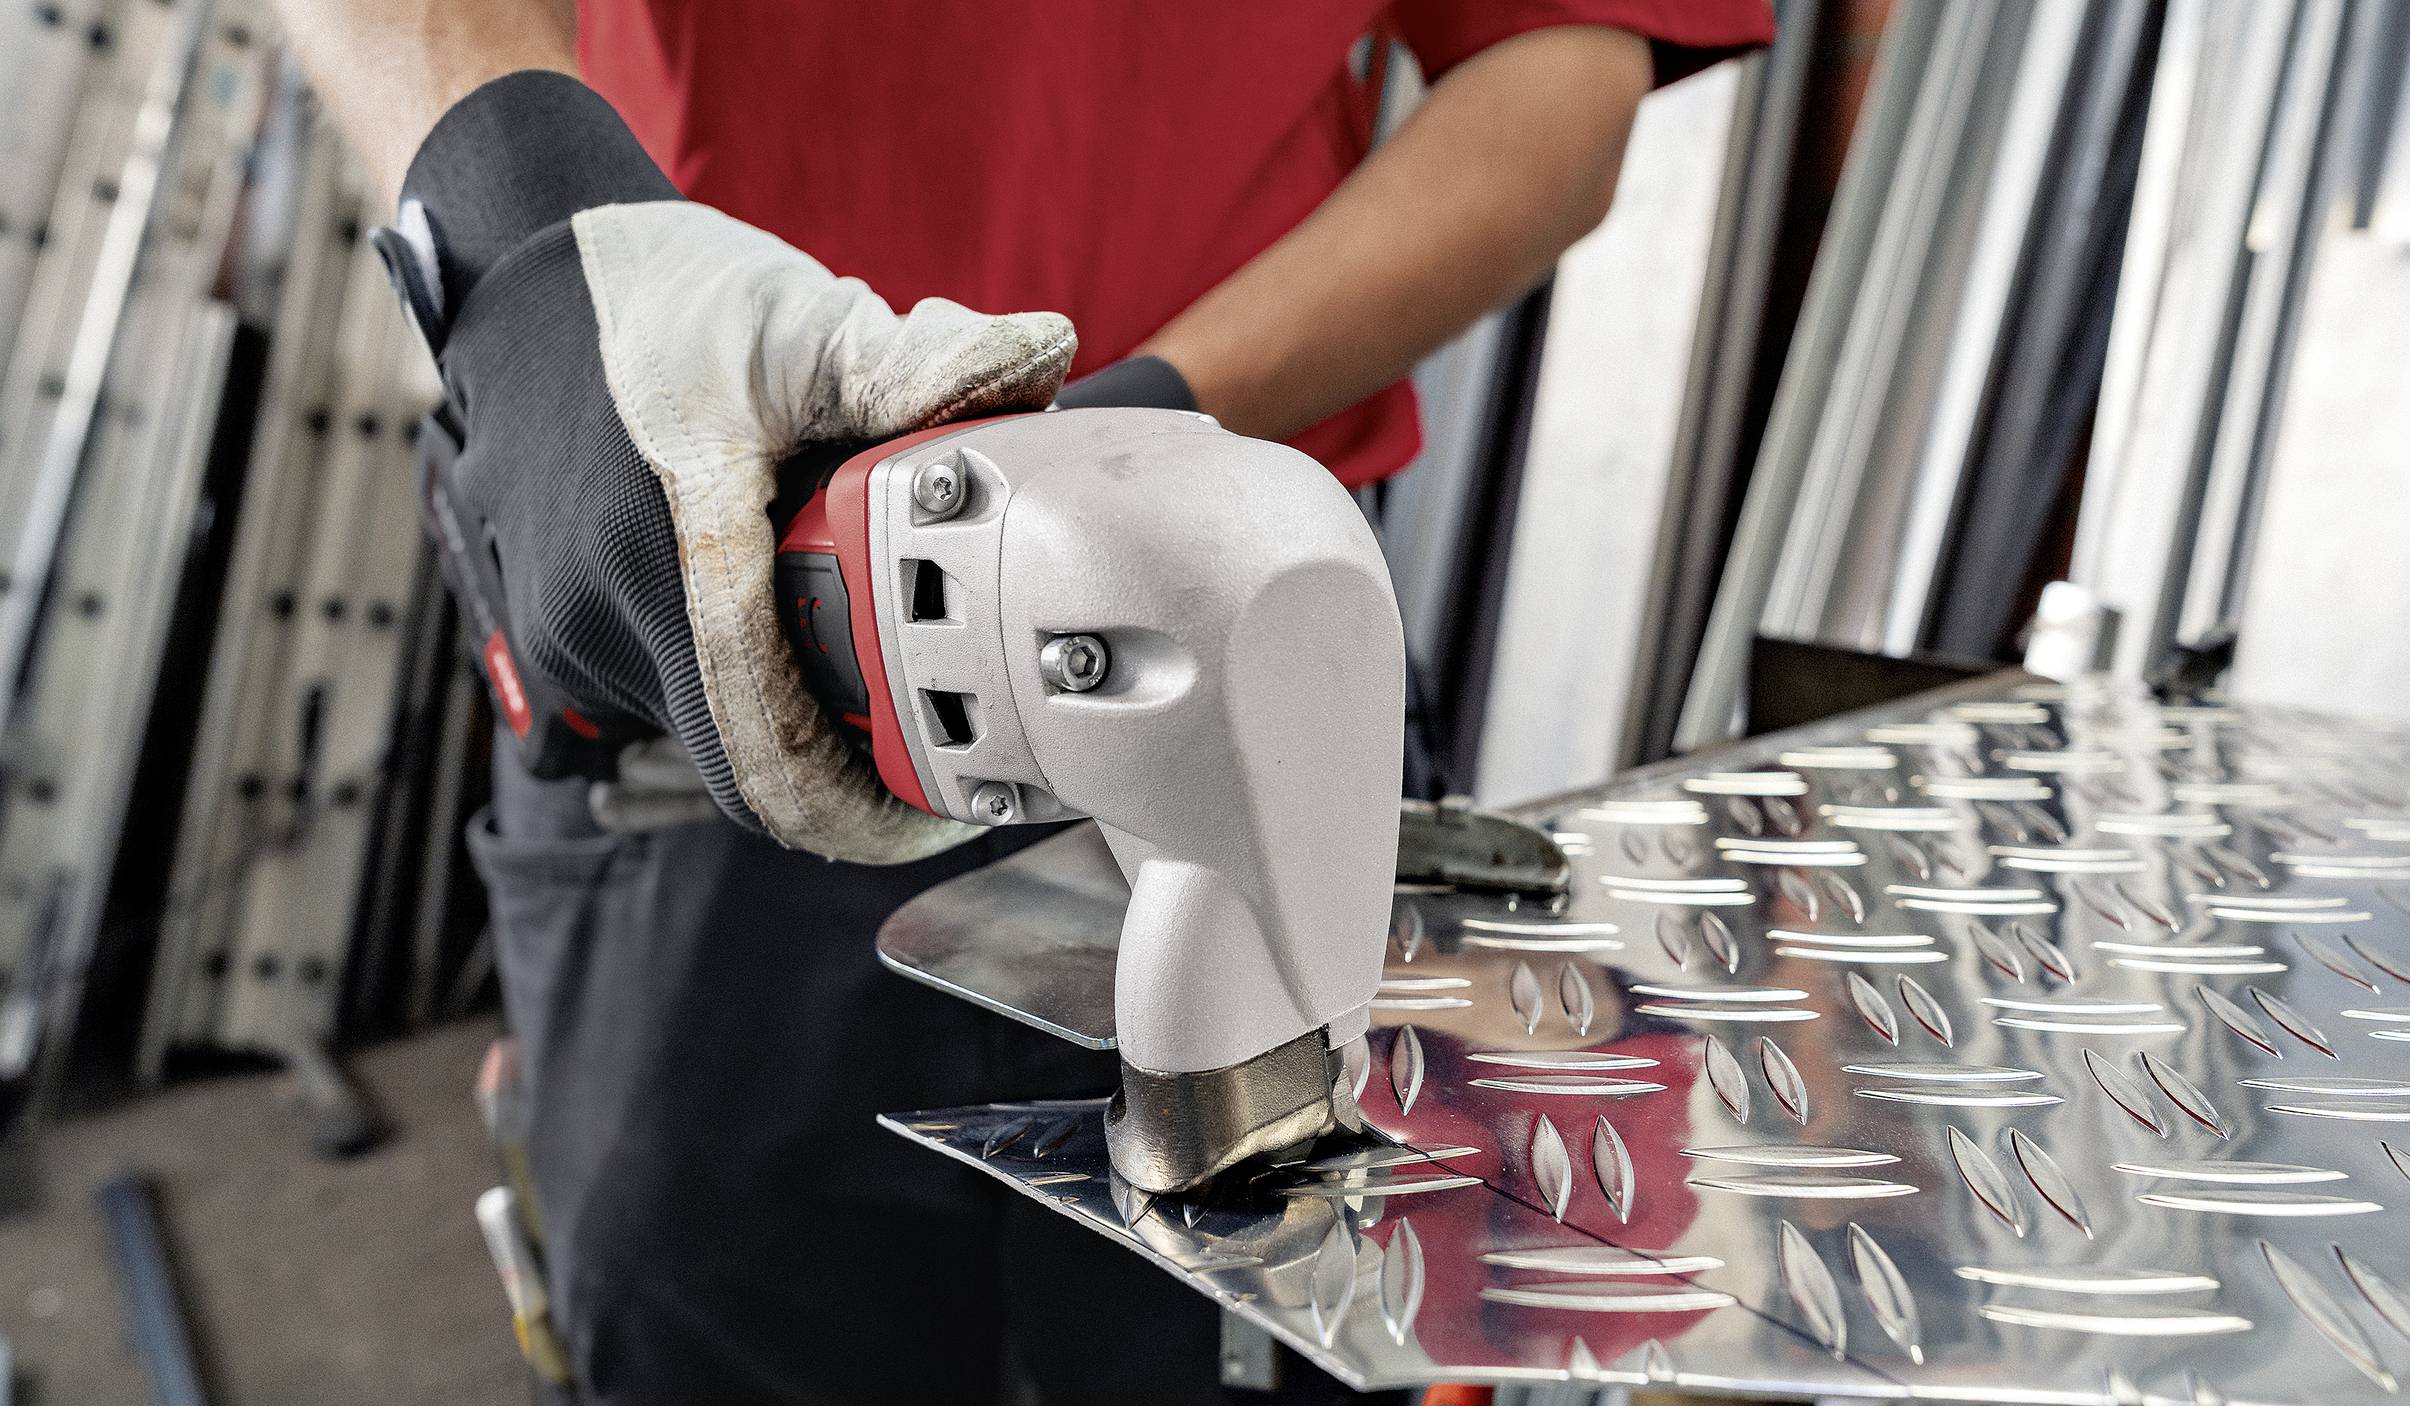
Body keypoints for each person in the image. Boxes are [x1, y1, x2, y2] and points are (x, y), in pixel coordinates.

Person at [267, 1, 1773, 1401]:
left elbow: (1559, 74)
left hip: (1234, 658)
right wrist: (527, 237)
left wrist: (1114, 460)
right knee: (710, 1326)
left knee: (1259, 1333)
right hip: (724, 625)